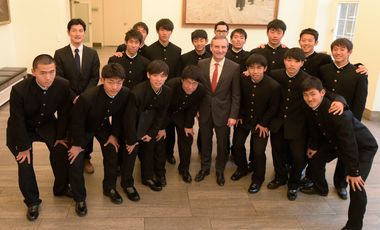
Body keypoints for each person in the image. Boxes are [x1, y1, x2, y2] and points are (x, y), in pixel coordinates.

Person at [300, 77, 377, 230]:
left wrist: (354, 172)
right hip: (336, 142)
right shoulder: (313, 106)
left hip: (362, 147)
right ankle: (321, 188)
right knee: (315, 160)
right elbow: (316, 127)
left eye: (313, 94)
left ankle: (354, 226)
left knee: (356, 186)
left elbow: (349, 144)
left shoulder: (337, 113)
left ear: (322, 93)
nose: (309, 98)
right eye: (306, 95)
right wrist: (314, 146)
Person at [6, 54, 72, 221]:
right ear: (33, 71)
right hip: (22, 128)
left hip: (47, 124)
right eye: (43, 73)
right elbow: (17, 120)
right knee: (25, 162)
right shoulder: (19, 90)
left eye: (52, 72)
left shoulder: (63, 85)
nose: (48, 77)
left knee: (60, 150)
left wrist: (60, 136)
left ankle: (61, 188)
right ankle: (32, 201)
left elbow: (64, 114)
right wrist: (23, 147)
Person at [64, 63, 129, 216]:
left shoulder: (125, 93)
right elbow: (77, 122)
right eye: (110, 82)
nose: (114, 87)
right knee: (76, 159)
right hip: (83, 128)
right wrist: (78, 145)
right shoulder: (87, 97)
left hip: (102, 125)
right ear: (102, 80)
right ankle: (80, 198)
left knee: (112, 151)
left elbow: (119, 116)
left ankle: (110, 188)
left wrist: (114, 134)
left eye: (119, 82)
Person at [318, 38, 369, 200]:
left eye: (342, 49)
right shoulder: (324, 69)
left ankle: (341, 184)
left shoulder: (358, 73)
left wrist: (355, 123)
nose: (338, 53)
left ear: (349, 52)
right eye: (335, 49)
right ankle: (316, 181)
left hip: (346, 120)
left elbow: (360, 102)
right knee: (320, 149)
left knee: (345, 153)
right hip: (325, 118)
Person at [54, 18, 100, 174]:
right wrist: (74, 97)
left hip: (88, 100)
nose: (77, 34)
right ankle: (71, 158)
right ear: (68, 33)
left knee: (87, 129)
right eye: (74, 30)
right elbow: (59, 78)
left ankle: (86, 157)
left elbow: (95, 77)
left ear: (84, 33)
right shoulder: (59, 54)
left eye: (80, 30)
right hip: (67, 100)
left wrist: (85, 97)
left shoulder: (92, 53)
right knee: (68, 128)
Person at [231, 54, 280, 194]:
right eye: (252, 68)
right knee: (237, 145)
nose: (255, 71)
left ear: (265, 68)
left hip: (261, 123)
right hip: (244, 120)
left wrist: (264, 123)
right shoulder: (243, 79)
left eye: (259, 68)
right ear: (247, 69)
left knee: (258, 151)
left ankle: (258, 179)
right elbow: (238, 97)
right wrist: (239, 114)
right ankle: (242, 168)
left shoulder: (273, 85)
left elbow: (273, 107)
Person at [195, 36, 240, 186]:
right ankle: (205, 167)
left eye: (223, 47)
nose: (220, 50)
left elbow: (236, 94)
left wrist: (233, 115)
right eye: (217, 47)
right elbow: (198, 90)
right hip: (205, 111)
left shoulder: (234, 67)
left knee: (223, 144)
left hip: (224, 113)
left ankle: (220, 169)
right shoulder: (201, 64)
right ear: (211, 48)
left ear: (227, 49)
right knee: (205, 141)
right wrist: (197, 109)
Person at [123, 60, 172, 191]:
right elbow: (130, 119)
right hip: (133, 127)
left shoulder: (167, 92)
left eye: (163, 76)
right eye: (155, 75)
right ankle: (127, 183)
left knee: (148, 152)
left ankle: (147, 177)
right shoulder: (137, 92)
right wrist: (132, 140)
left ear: (167, 77)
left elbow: (161, 116)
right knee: (131, 153)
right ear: (148, 75)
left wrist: (151, 133)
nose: (159, 79)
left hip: (149, 126)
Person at [145, 18, 181, 165]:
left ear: (171, 32)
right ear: (157, 31)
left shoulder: (177, 50)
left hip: (170, 92)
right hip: (154, 92)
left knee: (169, 124)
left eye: (167, 30)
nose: (164, 33)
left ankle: (169, 153)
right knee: (154, 121)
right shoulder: (149, 50)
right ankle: (151, 152)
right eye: (162, 29)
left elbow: (177, 73)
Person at [164, 65, 206, 183]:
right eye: (188, 83)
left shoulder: (200, 90)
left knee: (187, 138)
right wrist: (161, 127)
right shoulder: (170, 86)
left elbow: (193, 108)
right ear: (182, 80)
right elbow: (163, 108)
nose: (191, 87)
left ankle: (184, 169)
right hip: (166, 113)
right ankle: (163, 164)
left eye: (194, 84)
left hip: (182, 115)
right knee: (162, 137)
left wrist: (188, 125)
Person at [179, 29, 211, 160]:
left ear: (206, 41)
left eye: (202, 40)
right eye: (196, 40)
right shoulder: (185, 57)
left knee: (204, 126)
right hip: (189, 96)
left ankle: (202, 150)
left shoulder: (211, 56)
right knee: (188, 125)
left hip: (205, 96)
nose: (199, 43)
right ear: (192, 42)